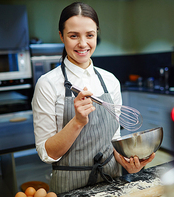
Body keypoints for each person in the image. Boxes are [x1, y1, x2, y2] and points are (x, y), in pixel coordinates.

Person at [32, 2, 155, 194]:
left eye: (90, 35)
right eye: (74, 36)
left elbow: (114, 138)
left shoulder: (110, 81)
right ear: (61, 36)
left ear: (96, 34)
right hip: (69, 187)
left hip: (111, 182)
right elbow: (47, 153)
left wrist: (127, 163)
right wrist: (77, 122)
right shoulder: (47, 84)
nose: (83, 44)